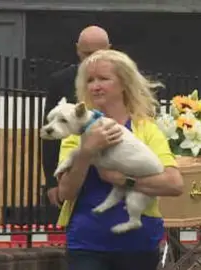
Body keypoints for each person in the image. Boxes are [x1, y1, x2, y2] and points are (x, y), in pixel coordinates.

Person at [55, 49, 184, 270]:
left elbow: (174, 184)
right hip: (87, 244)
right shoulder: (75, 132)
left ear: (124, 84)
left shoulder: (147, 130)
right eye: (90, 80)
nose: (95, 86)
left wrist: (125, 179)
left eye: (103, 79)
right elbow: (65, 193)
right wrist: (86, 151)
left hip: (139, 245)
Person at [42, 25, 112, 209]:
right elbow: (50, 135)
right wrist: (51, 182)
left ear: (109, 50)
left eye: (97, 53)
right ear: (77, 50)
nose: (91, 59)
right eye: (86, 53)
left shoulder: (121, 81)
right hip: (73, 166)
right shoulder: (60, 81)